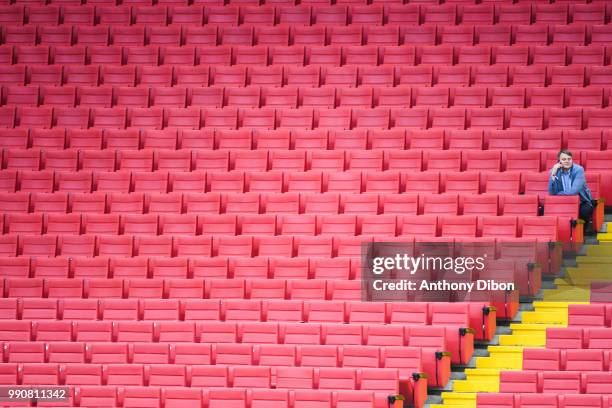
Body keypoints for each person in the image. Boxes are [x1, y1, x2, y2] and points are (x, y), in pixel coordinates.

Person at [548, 150, 595, 234]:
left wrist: (558, 194)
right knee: (545, 210)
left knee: (586, 210)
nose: (567, 161)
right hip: (563, 202)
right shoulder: (554, 170)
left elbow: (574, 191)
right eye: (564, 159)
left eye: (569, 159)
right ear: (559, 161)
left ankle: (581, 233)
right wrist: (553, 173)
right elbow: (551, 192)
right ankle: (561, 234)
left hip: (581, 201)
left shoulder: (579, 170)